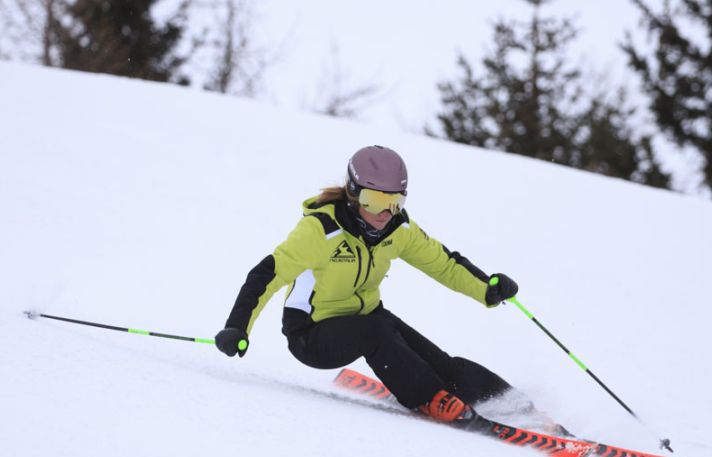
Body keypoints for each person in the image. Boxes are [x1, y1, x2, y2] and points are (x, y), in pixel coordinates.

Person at [215, 145, 520, 428]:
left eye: (395, 202)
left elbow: (442, 263)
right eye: (374, 202)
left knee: (436, 360)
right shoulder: (321, 230)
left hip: (368, 318)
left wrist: (486, 288)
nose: (385, 213)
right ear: (353, 193)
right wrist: (238, 327)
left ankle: (511, 404)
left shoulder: (398, 229)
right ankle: (428, 397)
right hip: (312, 334)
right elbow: (266, 274)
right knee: (378, 334)